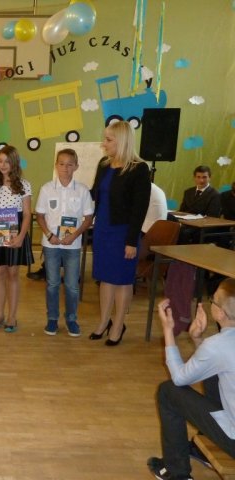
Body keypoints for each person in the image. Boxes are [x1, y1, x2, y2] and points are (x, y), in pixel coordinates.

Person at [147, 278, 235, 480]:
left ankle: (176, 472)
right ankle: (203, 447)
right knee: (213, 375)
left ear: (220, 313)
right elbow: (215, 363)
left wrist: (168, 330)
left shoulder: (217, 345)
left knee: (168, 391)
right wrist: (197, 339)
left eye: (213, 300)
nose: (211, 302)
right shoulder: (218, 346)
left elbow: (179, 379)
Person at [89, 121, 151, 346]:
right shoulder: (104, 165)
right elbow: (95, 195)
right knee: (105, 278)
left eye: (108, 139)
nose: (104, 144)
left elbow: (139, 209)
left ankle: (118, 326)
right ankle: (103, 321)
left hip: (123, 232)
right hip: (102, 229)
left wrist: (131, 241)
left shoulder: (139, 169)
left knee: (122, 280)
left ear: (122, 141)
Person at [35, 148, 94, 337]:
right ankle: (52, 319)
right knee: (52, 284)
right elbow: (40, 215)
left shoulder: (83, 191)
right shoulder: (46, 189)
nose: (65, 168)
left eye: (70, 164)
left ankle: (71, 319)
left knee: (71, 285)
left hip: (73, 245)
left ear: (76, 166)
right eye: (61, 164)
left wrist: (74, 235)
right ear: (56, 165)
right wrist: (49, 235)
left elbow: (88, 218)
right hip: (51, 244)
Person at [0, 144, 33, 333]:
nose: (3, 165)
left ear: (14, 163)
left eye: (7, 161)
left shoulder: (24, 186)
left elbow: (27, 214)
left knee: (13, 274)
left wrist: (21, 237)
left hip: (15, 235)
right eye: (0, 161)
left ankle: (12, 316)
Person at [178, 165, 222, 244]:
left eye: (204, 177)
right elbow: (182, 210)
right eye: (198, 177)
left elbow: (212, 216)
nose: (201, 180)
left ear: (209, 178)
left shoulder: (215, 194)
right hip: (187, 223)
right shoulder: (188, 192)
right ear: (194, 178)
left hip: (203, 226)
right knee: (171, 228)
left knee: (184, 233)